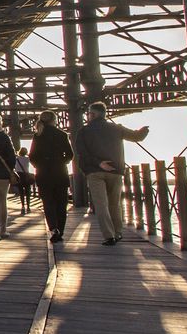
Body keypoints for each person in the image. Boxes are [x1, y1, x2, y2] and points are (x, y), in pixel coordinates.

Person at [73, 101, 150, 245]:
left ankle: (109, 236)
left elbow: (81, 152)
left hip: (95, 172)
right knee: (115, 204)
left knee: (101, 205)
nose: (87, 116)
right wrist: (144, 130)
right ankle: (118, 232)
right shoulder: (116, 128)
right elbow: (137, 137)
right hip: (115, 171)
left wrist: (98, 163)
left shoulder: (84, 131)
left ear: (93, 114)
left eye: (88, 113)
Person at [29, 111, 73, 244]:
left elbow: (32, 156)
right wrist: (62, 162)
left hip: (43, 174)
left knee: (48, 203)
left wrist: (39, 165)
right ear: (54, 120)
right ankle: (61, 230)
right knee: (61, 204)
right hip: (60, 173)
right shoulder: (62, 134)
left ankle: (54, 229)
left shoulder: (38, 135)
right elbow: (70, 154)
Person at [12, 146, 34, 214]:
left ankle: (22, 206)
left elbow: (14, 167)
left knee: (21, 192)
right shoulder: (27, 159)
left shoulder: (16, 158)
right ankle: (28, 207)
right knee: (28, 192)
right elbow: (33, 164)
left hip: (19, 176)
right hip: (26, 175)